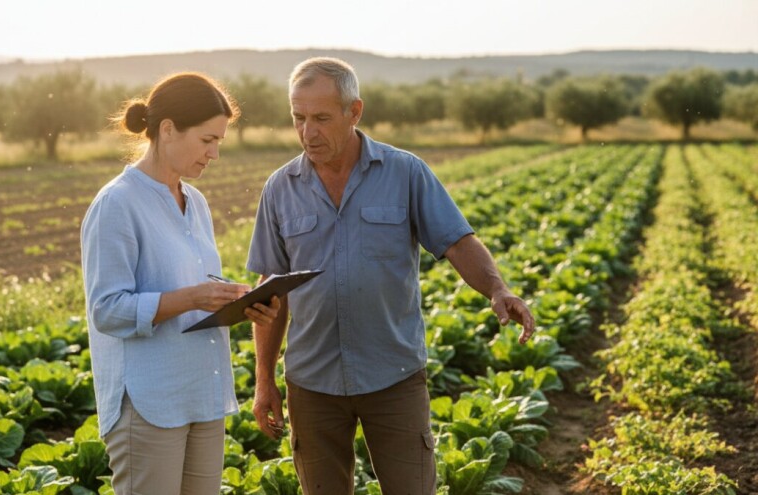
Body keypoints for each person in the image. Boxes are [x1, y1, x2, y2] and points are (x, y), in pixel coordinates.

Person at [246, 57, 535, 495]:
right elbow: (272, 292)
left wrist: (497, 288)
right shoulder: (279, 188)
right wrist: (264, 379)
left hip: (393, 375)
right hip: (312, 382)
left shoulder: (405, 172)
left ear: (354, 111)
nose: (308, 132)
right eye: (298, 118)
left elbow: (457, 241)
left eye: (321, 118)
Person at [81, 72, 280, 495]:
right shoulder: (117, 204)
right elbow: (107, 310)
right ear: (168, 129)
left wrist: (237, 302)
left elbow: (195, 287)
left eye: (219, 142)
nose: (214, 154)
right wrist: (191, 298)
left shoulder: (196, 202)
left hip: (202, 393)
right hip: (149, 402)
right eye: (207, 140)